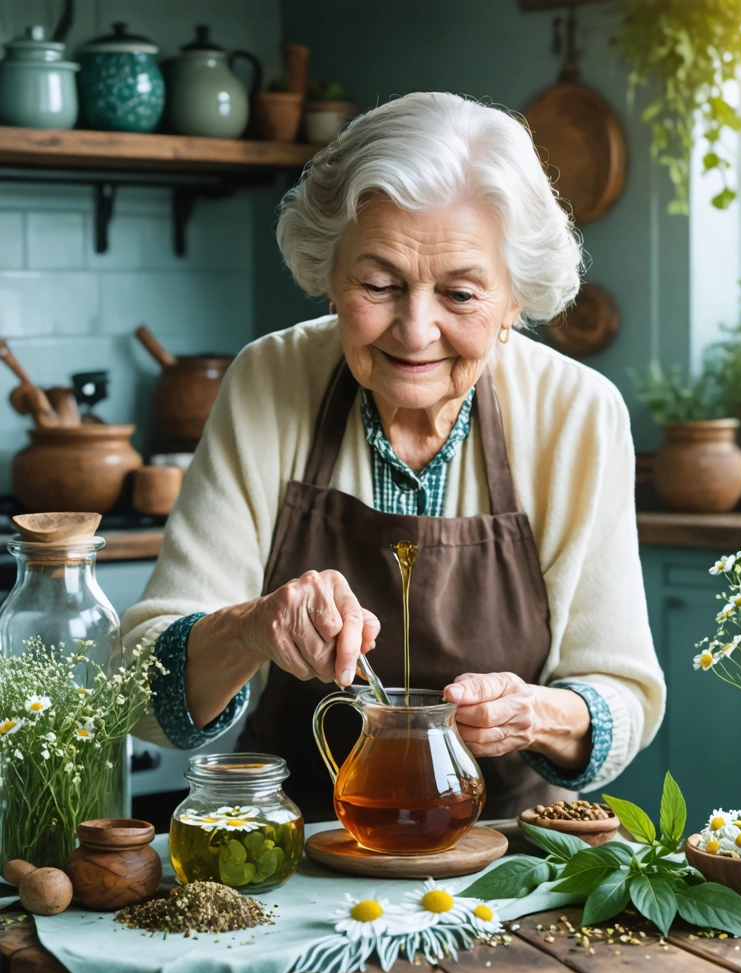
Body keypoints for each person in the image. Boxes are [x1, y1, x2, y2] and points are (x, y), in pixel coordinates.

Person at [124, 91, 665, 822]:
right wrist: (250, 627)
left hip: (515, 852)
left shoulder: (578, 412)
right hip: (292, 847)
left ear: (514, 300)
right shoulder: (266, 381)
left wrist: (534, 714)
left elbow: (624, 695)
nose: (415, 331)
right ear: (329, 273)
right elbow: (142, 692)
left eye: (461, 294)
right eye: (378, 284)